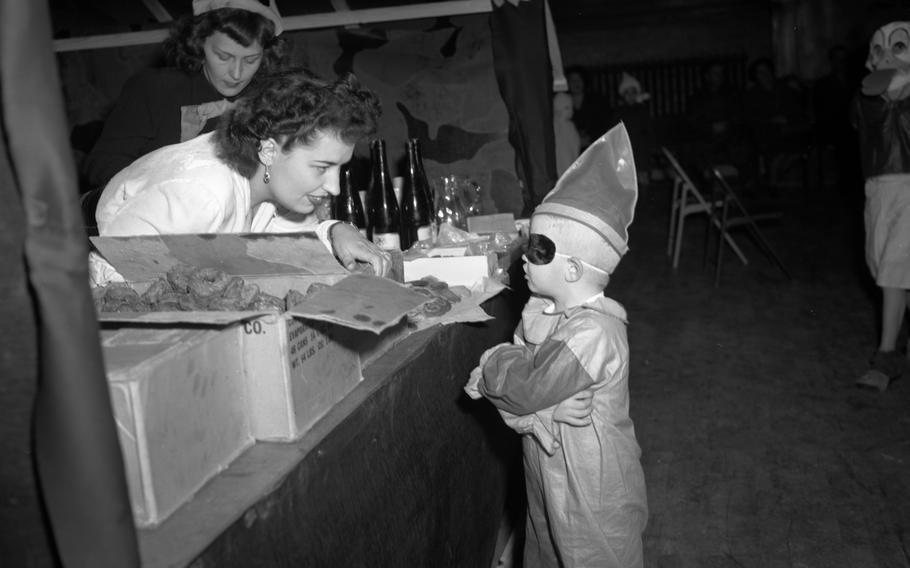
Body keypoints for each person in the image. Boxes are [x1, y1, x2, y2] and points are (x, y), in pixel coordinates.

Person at [465, 123, 648, 567]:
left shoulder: (593, 334)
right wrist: (540, 409)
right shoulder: (544, 312)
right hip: (550, 480)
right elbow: (526, 389)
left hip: (592, 492)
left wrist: (494, 364)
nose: (524, 256)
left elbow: (519, 384)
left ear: (571, 270)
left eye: (539, 250)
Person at [90, 68, 392, 284]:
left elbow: (286, 241)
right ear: (270, 151)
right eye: (322, 167)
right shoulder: (202, 192)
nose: (335, 187)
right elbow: (117, 271)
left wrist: (335, 231)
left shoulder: (274, 181)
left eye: (340, 168)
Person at [82, 0, 287, 192]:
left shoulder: (272, 96)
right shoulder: (155, 88)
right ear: (198, 43)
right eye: (223, 57)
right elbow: (101, 164)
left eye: (251, 60)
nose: (236, 73)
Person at [852, 18, 910, 391]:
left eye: (899, 46)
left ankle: (887, 356)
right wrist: (884, 88)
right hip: (877, 189)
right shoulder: (865, 98)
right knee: (882, 266)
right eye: (878, 48)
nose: (887, 53)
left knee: (893, 269)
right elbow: (865, 117)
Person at [614, 72, 655, 185]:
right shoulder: (619, 112)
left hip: (641, 152)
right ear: (623, 95)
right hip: (625, 152)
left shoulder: (642, 110)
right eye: (627, 93)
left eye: (633, 92)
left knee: (643, 180)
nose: (631, 96)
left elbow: (648, 130)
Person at [565, 65, 611, 149]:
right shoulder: (563, 102)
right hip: (570, 147)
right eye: (572, 80)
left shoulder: (596, 101)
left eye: (579, 79)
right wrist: (576, 141)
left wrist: (591, 139)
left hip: (595, 145)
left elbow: (604, 124)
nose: (576, 83)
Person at [552, 91, 580, 177]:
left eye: (571, 107)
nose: (571, 111)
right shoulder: (555, 126)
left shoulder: (570, 126)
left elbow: (575, 146)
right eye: (566, 108)